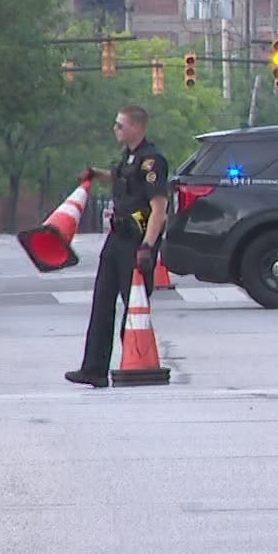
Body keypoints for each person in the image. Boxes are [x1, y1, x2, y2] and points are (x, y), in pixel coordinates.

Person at [66, 104, 169, 388]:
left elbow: (159, 207)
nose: (116, 129)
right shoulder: (130, 158)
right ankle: (93, 369)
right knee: (102, 300)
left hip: (136, 240)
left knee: (133, 303)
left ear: (137, 128)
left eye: (120, 125)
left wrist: (148, 246)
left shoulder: (152, 161)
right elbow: (121, 177)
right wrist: (95, 174)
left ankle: (135, 363)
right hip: (117, 237)